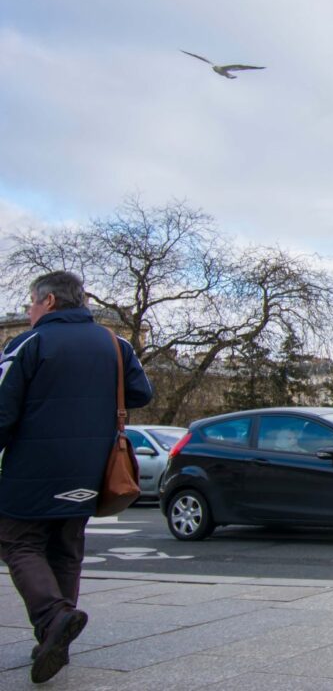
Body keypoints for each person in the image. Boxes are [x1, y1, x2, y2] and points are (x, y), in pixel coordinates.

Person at [0, 271, 153, 684]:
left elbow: (2, 407)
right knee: (67, 548)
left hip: (34, 465)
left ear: (48, 302)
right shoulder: (114, 343)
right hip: (92, 465)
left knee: (18, 541)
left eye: (31, 303)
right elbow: (142, 393)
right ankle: (55, 639)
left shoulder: (29, 343)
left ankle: (54, 617)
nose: (29, 311)